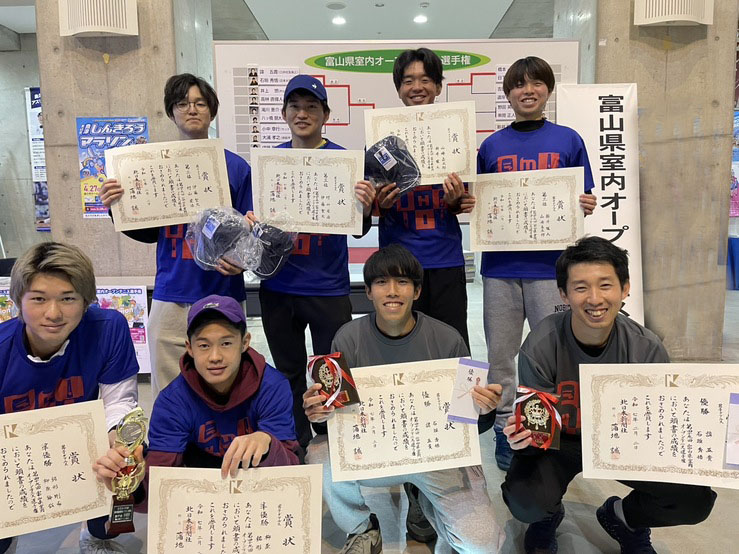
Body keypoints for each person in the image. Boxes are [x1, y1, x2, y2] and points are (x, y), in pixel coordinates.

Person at [501, 236, 717, 554]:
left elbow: (660, 429)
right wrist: (524, 439)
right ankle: (547, 515)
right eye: (580, 287)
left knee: (693, 500)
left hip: (625, 443)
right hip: (561, 443)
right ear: (563, 293)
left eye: (605, 285)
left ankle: (624, 518)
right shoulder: (541, 344)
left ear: (625, 288)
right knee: (526, 500)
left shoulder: (646, 348)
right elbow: (539, 431)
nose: (594, 298)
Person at [303, 244, 505, 554]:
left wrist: (484, 407)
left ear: (417, 291)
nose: (392, 291)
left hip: (436, 455)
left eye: (403, 282)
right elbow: (340, 416)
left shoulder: (448, 339)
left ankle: (426, 500)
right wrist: (322, 412)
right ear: (368, 292)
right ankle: (362, 528)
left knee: (482, 545)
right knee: (319, 453)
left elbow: (470, 421)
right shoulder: (347, 337)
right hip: (375, 452)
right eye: (381, 282)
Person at [476, 56, 598, 470]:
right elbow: (481, 201)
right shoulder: (491, 146)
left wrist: (585, 203)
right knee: (501, 356)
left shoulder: (568, 140)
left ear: (548, 90)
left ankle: (550, 428)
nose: (527, 91)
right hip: (501, 270)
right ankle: (504, 429)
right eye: (518, 85)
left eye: (536, 84)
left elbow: (584, 195)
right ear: (508, 94)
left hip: (553, 269)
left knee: (553, 353)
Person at [100, 73, 253, 400]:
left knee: (225, 384)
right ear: (171, 112)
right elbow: (148, 232)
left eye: (200, 103)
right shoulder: (150, 166)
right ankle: (173, 435)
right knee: (168, 387)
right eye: (182, 104)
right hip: (171, 291)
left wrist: (241, 262)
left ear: (212, 111)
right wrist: (117, 206)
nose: (192, 109)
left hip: (223, 290)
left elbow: (248, 233)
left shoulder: (237, 168)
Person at [251, 74, 375, 448]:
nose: (302, 114)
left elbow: (359, 229)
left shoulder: (344, 162)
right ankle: (296, 442)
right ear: (284, 113)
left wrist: (365, 206)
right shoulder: (269, 163)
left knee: (332, 370)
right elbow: (254, 226)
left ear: (326, 115)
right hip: (278, 288)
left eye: (311, 107)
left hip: (327, 287)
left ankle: (339, 441)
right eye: (295, 106)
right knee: (287, 371)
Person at [92, 295, 299, 510]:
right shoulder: (172, 401)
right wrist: (128, 485)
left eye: (226, 343)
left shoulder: (272, 387)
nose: (215, 356)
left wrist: (268, 442)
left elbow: (292, 472)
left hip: (258, 492)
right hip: (199, 497)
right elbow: (160, 478)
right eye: (204, 345)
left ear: (245, 342)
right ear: (189, 348)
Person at [0, 242, 140, 554]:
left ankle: (97, 532)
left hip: (79, 445)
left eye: (68, 298)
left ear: (86, 301)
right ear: (18, 300)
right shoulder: (3, 348)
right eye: (38, 299)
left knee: (128, 460)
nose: (53, 314)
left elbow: (120, 402)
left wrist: (120, 443)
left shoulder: (108, 329)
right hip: (15, 455)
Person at [375, 48, 473, 350]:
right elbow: (371, 206)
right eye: (408, 81)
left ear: (439, 87)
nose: (417, 87)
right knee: (400, 343)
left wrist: (456, 201)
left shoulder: (457, 134)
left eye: (426, 80)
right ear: (398, 89)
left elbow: (462, 202)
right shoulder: (380, 139)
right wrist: (381, 204)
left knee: (452, 342)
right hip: (398, 262)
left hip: (444, 257)